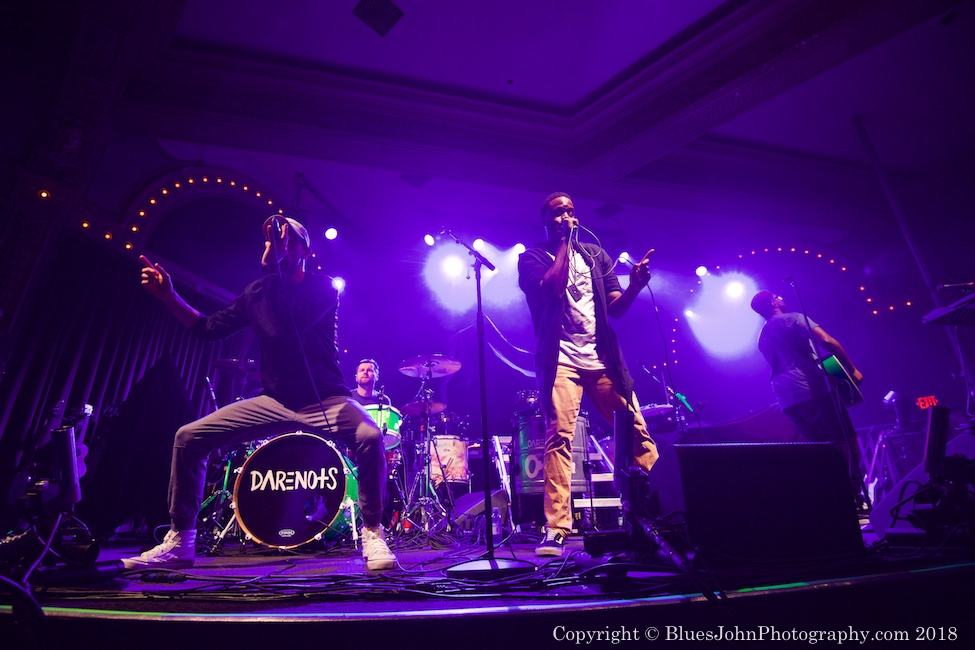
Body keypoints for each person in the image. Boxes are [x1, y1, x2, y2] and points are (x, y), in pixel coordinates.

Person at [126, 215, 396, 572]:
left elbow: (287, 326)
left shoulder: (324, 288)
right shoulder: (255, 293)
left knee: (369, 434)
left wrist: (272, 271)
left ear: (305, 251)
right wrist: (170, 296)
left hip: (326, 399)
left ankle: (373, 533)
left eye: (289, 240)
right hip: (275, 400)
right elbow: (206, 329)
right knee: (188, 437)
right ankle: (181, 541)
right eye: (273, 239)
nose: (279, 245)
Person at [518, 192, 659, 557]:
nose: (566, 215)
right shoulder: (532, 258)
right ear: (545, 220)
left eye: (570, 210)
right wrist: (564, 241)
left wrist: (635, 286)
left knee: (637, 433)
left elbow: (616, 309)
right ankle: (557, 528)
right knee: (560, 438)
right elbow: (550, 288)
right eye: (557, 212)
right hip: (560, 360)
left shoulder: (597, 256)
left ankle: (656, 512)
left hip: (602, 359)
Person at [749, 290, 864, 490]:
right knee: (844, 438)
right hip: (809, 388)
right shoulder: (794, 319)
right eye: (777, 295)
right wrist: (852, 368)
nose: (781, 297)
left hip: (786, 397)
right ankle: (854, 495)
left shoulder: (762, 336)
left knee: (818, 449)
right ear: (773, 302)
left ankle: (834, 496)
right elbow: (828, 342)